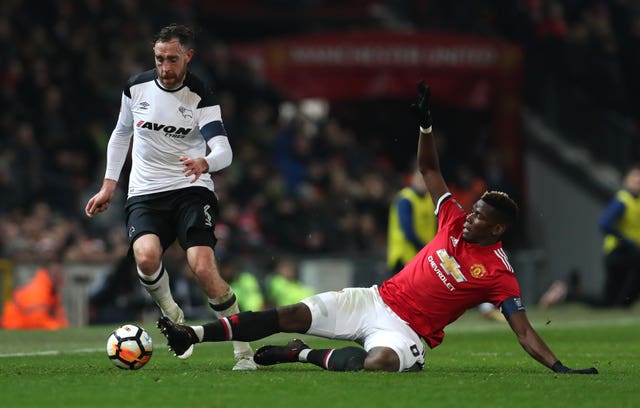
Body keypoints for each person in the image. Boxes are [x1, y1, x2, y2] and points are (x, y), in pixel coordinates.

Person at [157, 81, 598, 375]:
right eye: (475, 207)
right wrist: (426, 125)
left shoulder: (498, 274)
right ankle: (190, 333)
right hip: (373, 299)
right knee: (291, 314)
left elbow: (522, 329)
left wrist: (561, 369)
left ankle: (301, 353)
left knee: (379, 364)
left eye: (481, 215)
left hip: (407, 333)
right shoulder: (454, 218)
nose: (471, 215)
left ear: (496, 231)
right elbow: (428, 169)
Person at [84, 24, 256, 370]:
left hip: (190, 188)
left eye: (172, 59)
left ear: (188, 57)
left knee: (202, 268)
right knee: (145, 259)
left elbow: (224, 149)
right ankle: (172, 313)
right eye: (160, 59)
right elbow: (120, 135)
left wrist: (205, 161)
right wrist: (108, 185)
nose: (165, 67)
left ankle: (244, 349)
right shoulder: (136, 87)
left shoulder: (200, 96)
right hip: (146, 190)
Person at [387, 163, 504, 322]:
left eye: (425, 180)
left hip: (423, 253)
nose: (423, 183)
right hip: (404, 255)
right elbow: (408, 231)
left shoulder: (428, 200)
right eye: (420, 179)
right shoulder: (405, 199)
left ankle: (484, 306)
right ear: (412, 179)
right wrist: (428, 248)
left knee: (449, 278)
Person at [597, 163, 640, 307]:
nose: (638, 180)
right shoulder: (622, 200)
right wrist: (627, 242)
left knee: (609, 301)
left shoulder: (637, 201)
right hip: (617, 252)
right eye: (635, 177)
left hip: (629, 253)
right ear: (626, 180)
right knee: (609, 301)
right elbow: (604, 223)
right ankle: (568, 295)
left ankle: (567, 295)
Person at [1, 258, 68, 330]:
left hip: (23, 328)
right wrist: (57, 328)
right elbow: (37, 321)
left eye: (60, 273)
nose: (59, 277)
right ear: (47, 273)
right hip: (12, 328)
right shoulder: (37, 291)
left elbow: (60, 318)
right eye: (56, 274)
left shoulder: (52, 292)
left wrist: (62, 328)